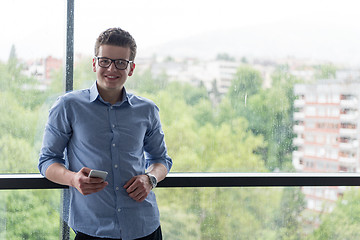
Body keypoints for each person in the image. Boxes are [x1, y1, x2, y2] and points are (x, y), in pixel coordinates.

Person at [38, 27, 172, 240]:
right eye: (105, 61)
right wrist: (73, 179)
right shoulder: (68, 106)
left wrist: (150, 179)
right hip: (92, 230)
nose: (112, 68)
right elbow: (47, 161)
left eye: (121, 62)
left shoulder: (147, 110)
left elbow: (161, 160)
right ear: (94, 63)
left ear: (131, 68)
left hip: (144, 227)